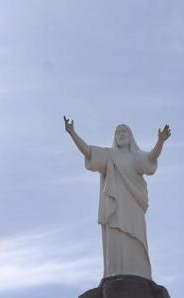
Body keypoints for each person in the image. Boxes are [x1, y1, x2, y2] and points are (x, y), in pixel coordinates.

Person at [64, 117, 170, 279]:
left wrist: (160, 141)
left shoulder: (136, 157)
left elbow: (150, 159)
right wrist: (72, 133)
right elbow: (88, 152)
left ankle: (139, 275)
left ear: (130, 136)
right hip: (114, 209)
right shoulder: (108, 155)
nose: (121, 134)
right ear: (115, 137)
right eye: (118, 132)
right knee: (116, 241)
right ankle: (115, 274)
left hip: (133, 207)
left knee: (135, 239)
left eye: (124, 131)